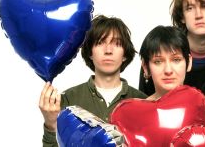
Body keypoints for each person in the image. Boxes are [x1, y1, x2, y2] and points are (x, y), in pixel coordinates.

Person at [39, 15, 147, 146]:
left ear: (124, 54)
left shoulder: (142, 102)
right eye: (100, 43)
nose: (108, 50)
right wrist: (50, 125)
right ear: (90, 52)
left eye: (117, 44)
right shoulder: (68, 100)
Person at [139, 26, 205, 130]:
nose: (168, 70)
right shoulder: (135, 113)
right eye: (158, 61)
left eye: (176, 60)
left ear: (189, 62)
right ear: (146, 67)